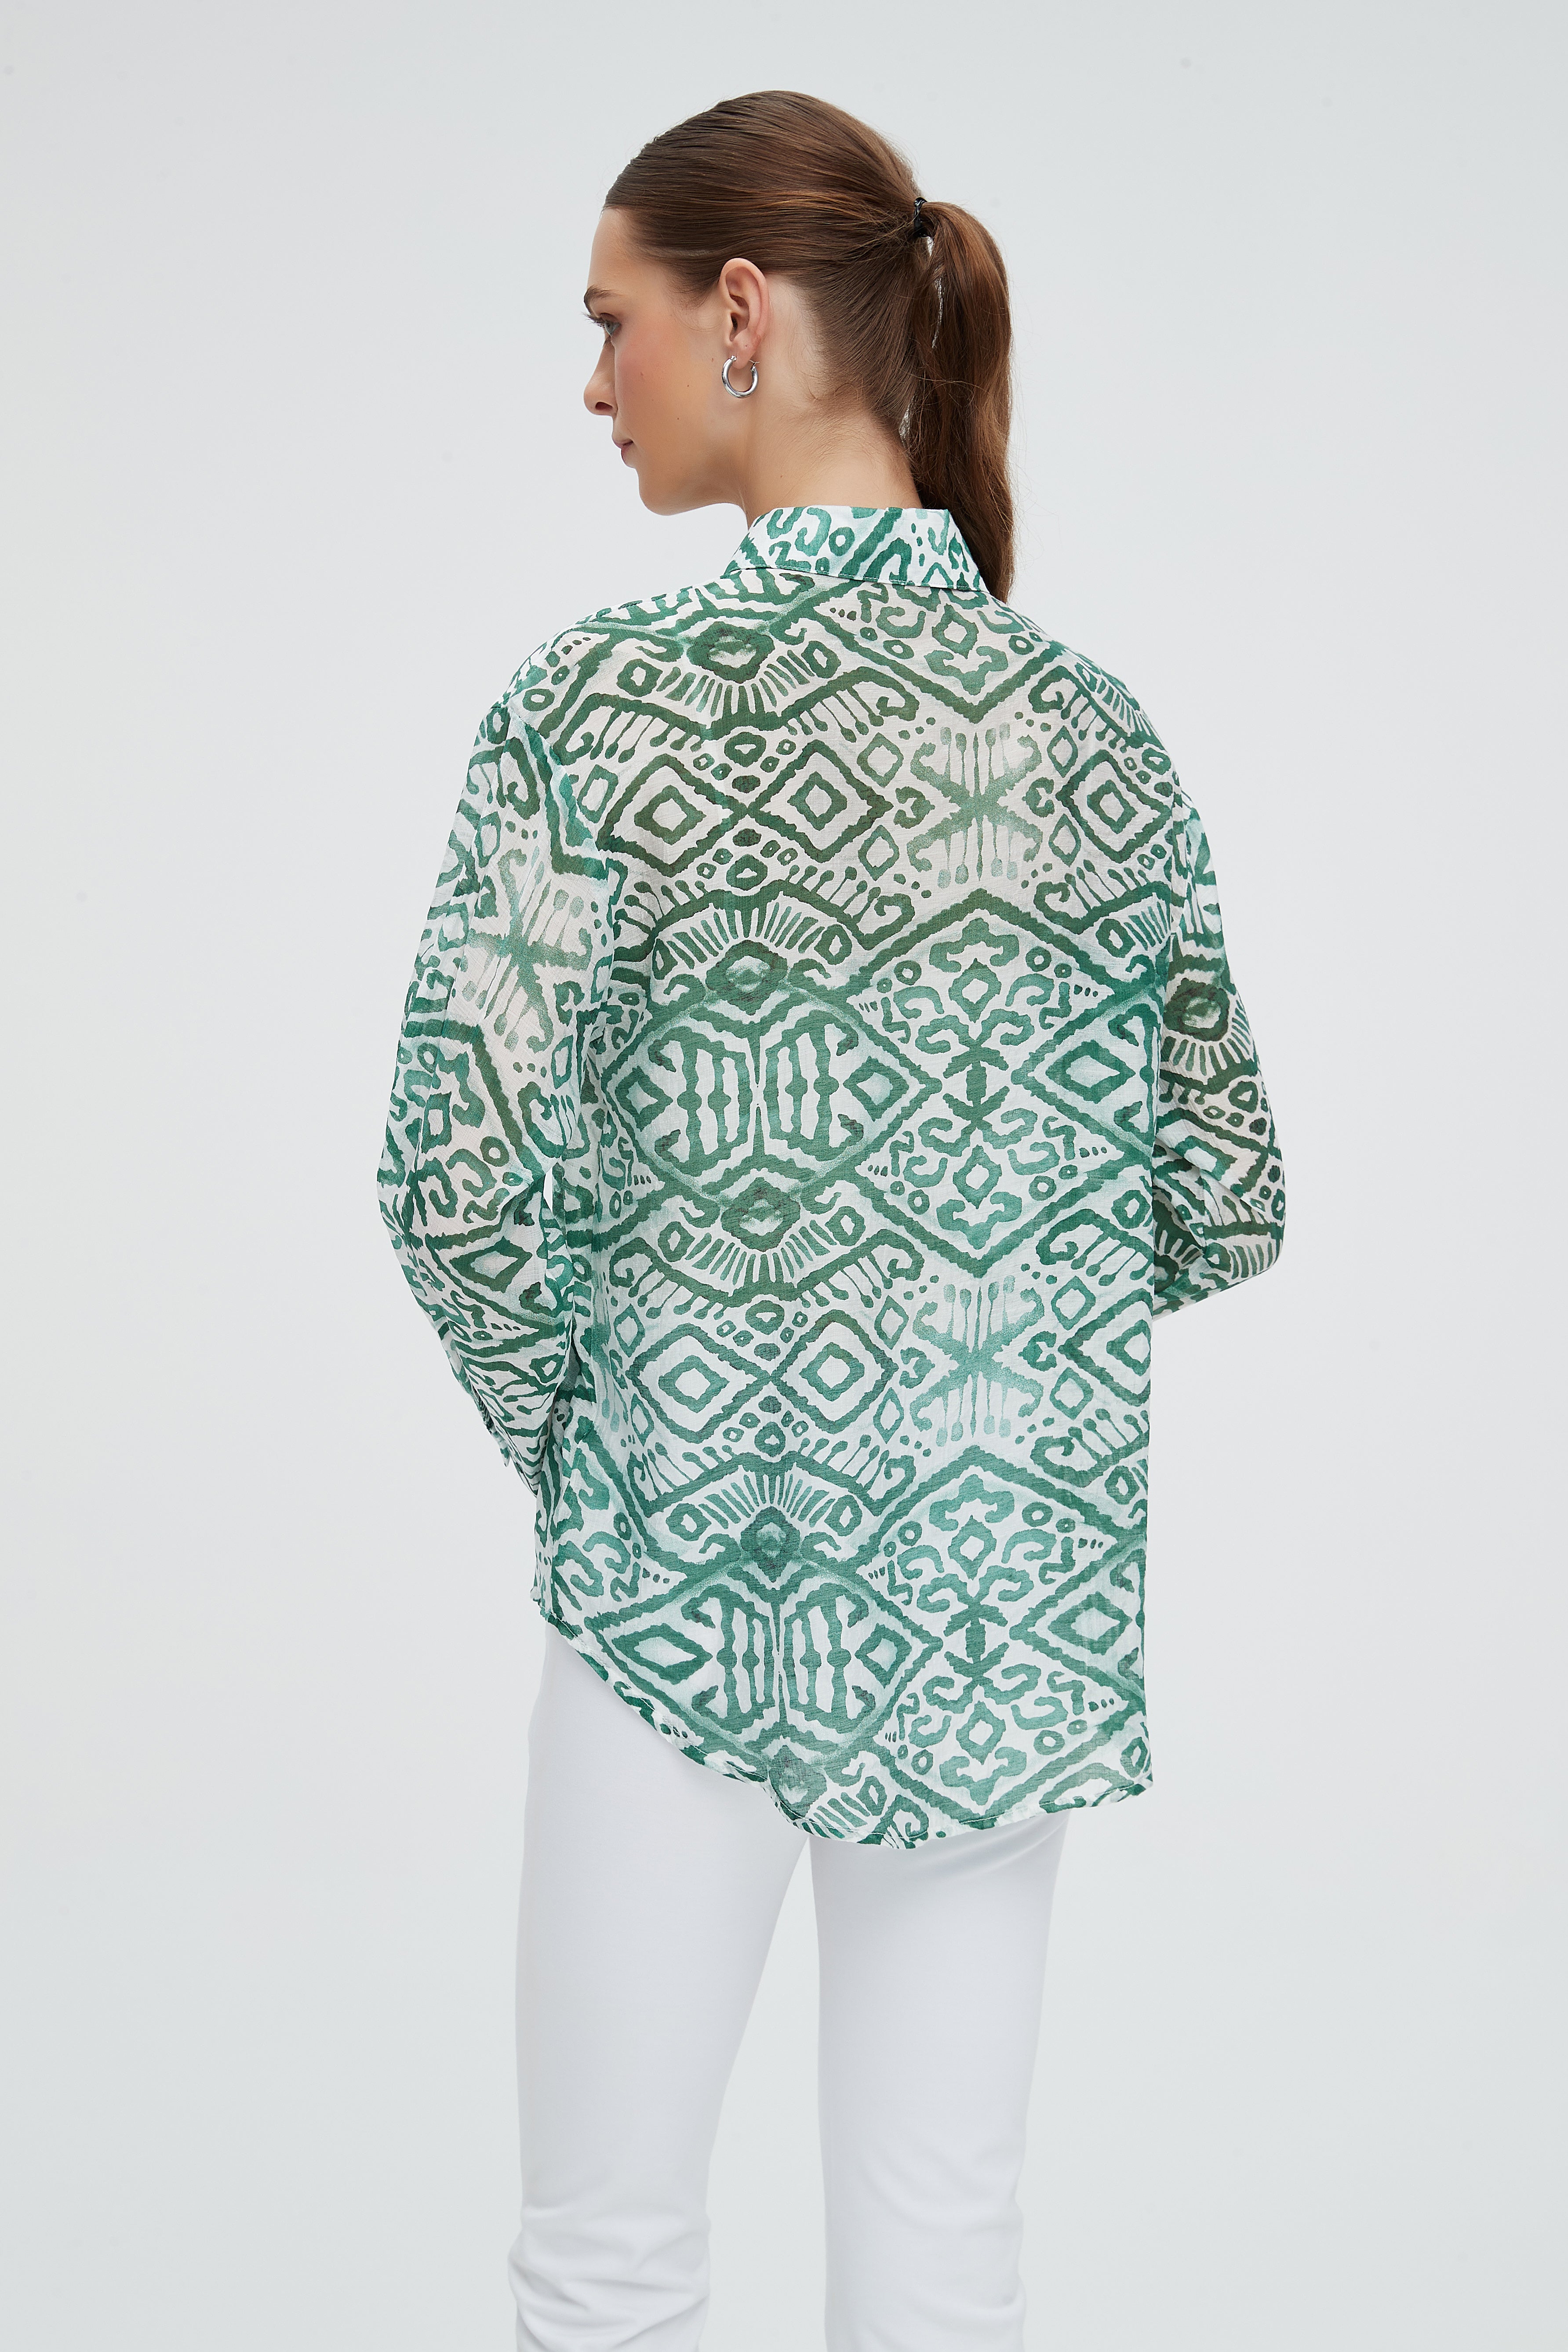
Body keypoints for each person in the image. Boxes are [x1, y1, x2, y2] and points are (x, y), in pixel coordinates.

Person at [377, 87, 1285, 2352]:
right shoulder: (1095, 740)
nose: (595, 382)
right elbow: (1221, 1193)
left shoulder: (598, 715)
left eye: (613, 322)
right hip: (992, 1603)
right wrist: (976, 1329)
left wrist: (635, 1435)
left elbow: (449, 1176)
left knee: (606, 2262)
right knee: (942, 2269)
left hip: (673, 1597)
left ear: (742, 314)